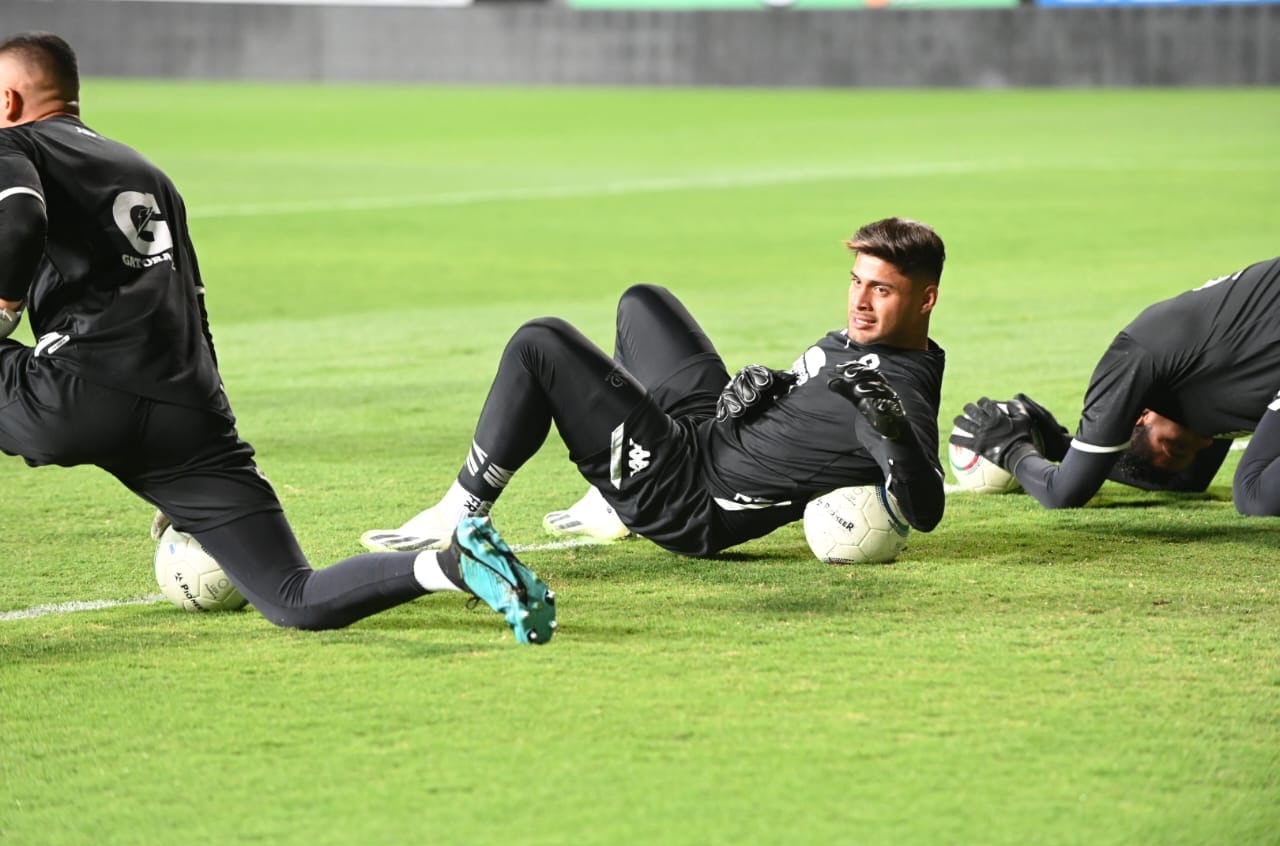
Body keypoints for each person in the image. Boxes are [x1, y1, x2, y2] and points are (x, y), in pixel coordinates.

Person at [0, 32, 556, 643]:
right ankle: (451, 565)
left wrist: (5, 301)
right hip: (184, 409)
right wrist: (200, 449)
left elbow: (20, 218)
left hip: (73, 392)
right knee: (295, 596)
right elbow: (194, 314)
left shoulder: (12, 144)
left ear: (8, 101)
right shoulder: (148, 173)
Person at [361, 217, 948, 558]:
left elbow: (924, 509)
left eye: (881, 290)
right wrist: (771, 384)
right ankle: (609, 503)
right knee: (644, 303)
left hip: (682, 494)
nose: (860, 302)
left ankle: (459, 513)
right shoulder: (861, 340)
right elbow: (809, 408)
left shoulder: (897, 393)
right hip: (702, 432)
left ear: (925, 299)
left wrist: (891, 432)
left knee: (540, 343)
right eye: (855, 281)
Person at [950, 256, 1280, 515]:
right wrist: (1063, 447)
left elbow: (1062, 493)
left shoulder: (1135, 361)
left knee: (1254, 493)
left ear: (1141, 414)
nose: (1207, 445)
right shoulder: (1207, 380)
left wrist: (1011, 450)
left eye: (1173, 446)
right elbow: (1187, 481)